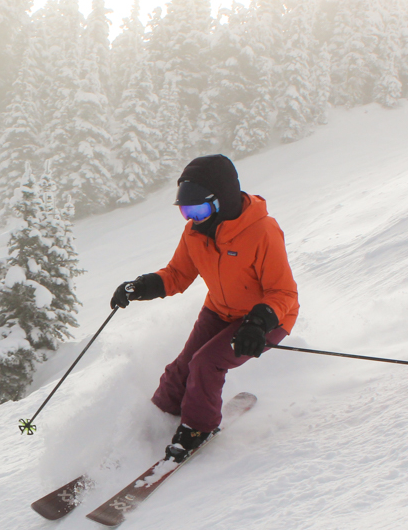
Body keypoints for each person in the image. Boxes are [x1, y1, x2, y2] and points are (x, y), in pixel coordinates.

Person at [110, 154, 299, 461]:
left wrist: (258, 324)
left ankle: (198, 428)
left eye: (198, 209)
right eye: (186, 211)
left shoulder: (262, 231)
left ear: (221, 200)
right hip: (219, 310)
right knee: (182, 366)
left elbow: (284, 291)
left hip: (266, 319)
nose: (191, 218)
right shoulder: (195, 233)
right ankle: (158, 418)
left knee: (206, 363)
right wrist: (141, 287)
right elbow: (177, 274)